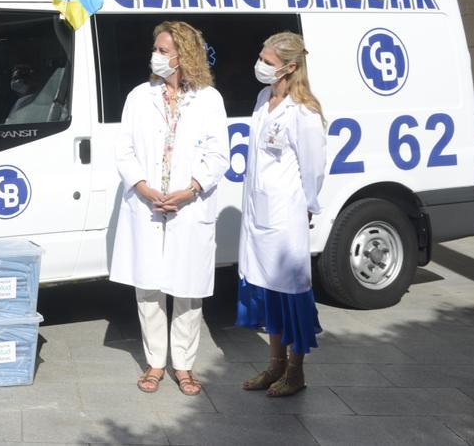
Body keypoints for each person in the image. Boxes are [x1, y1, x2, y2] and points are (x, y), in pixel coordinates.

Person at [109, 21, 229, 396]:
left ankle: (185, 366)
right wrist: (143, 188)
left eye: (163, 50)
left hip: (188, 206)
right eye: (156, 49)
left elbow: (218, 154)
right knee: (148, 289)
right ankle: (156, 362)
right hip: (146, 205)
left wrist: (190, 191)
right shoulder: (138, 96)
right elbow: (124, 150)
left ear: (183, 56)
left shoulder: (209, 99)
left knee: (188, 290)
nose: (156, 56)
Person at [236, 31, 327, 398]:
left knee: (291, 293)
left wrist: (307, 206)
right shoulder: (264, 98)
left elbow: (314, 168)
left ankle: (296, 370)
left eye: (268, 61)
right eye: (261, 56)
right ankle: (273, 365)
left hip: (286, 215)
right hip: (258, 212)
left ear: (290, 67)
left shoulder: (304, 111)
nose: (260, 65)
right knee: (268, 291)